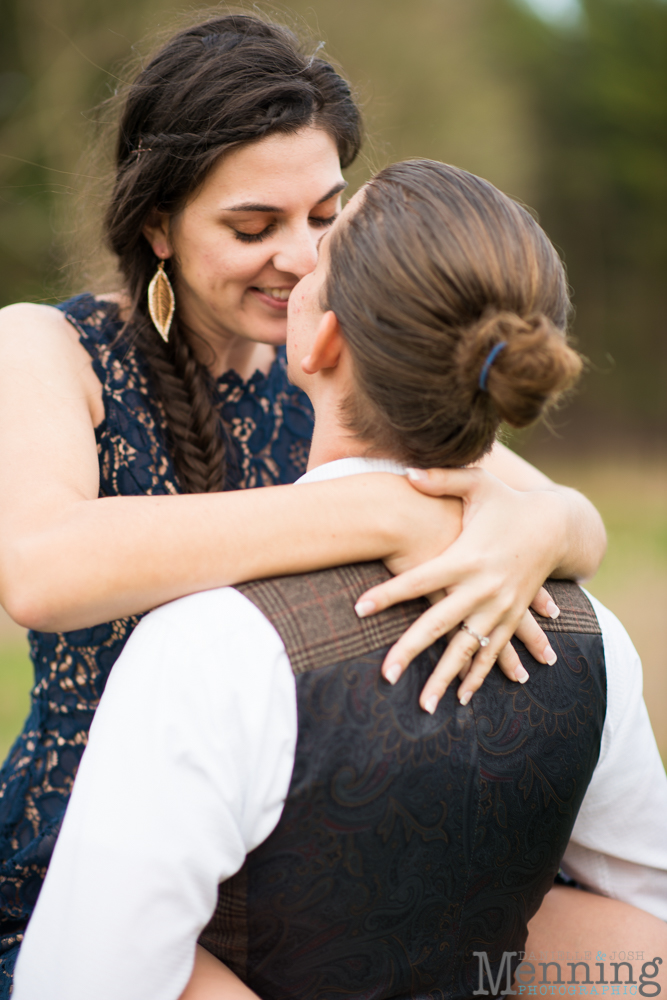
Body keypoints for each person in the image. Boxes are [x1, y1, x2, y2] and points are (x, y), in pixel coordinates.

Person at [0, 15, 608, 995]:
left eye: (324, 218)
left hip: (302, 885)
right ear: (157, 226)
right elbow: (42, 566)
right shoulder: (49, 351)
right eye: (252, 228)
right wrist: (384, 516)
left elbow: (578, 521)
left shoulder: (334, 362)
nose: (298, 258)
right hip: (75, 887)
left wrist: (537, 525)